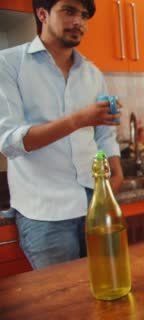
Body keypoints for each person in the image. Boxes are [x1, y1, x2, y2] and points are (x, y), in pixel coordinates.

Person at [0, 0, 124, 270]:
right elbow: (10, 142)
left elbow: (104, 135)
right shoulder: (7, 64)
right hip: (44, 212)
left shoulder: (92, 73)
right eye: (69, 11)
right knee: (63, 305)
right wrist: (79, 119)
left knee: (106, 291)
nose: (78, 21)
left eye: (84, 15)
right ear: (42, 14)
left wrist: (116, 174)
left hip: (95, 204)